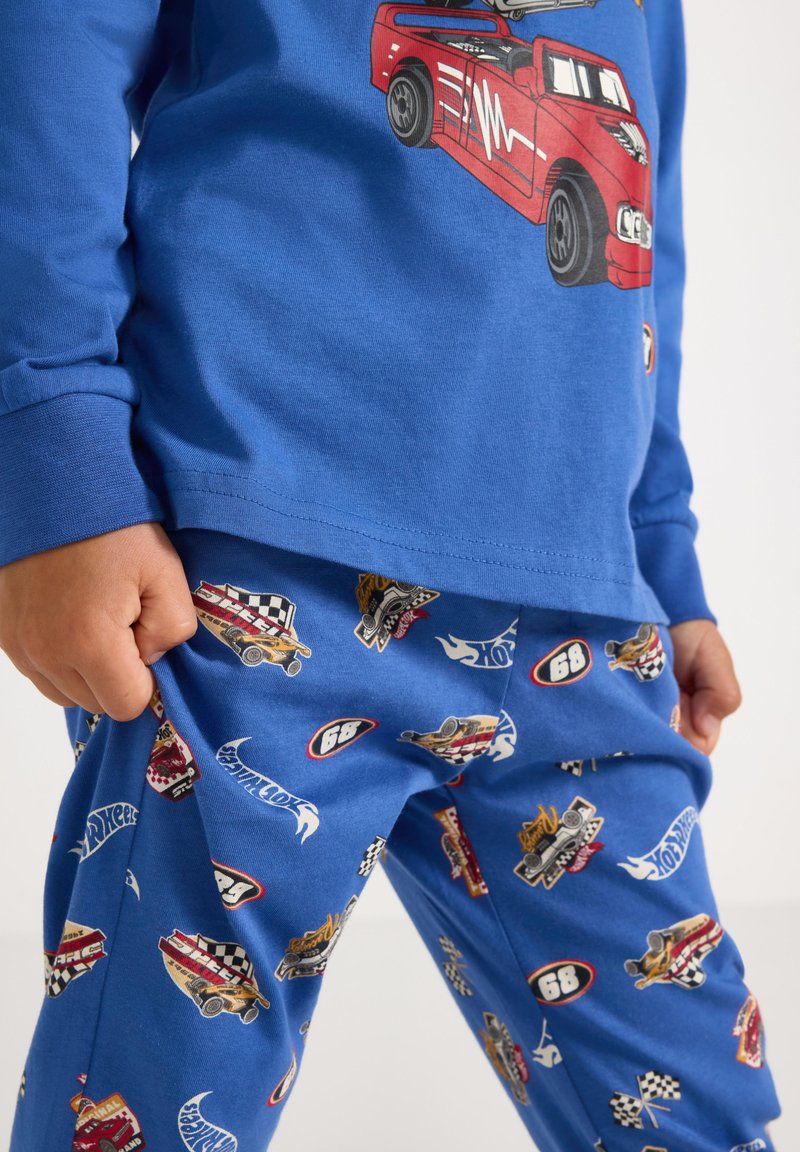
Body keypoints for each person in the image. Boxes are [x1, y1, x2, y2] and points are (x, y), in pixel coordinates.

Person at [0, 1, 782, 1149]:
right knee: (146, 1108)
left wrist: (660, 552)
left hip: (580, 610)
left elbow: (637, 240)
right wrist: (54, 456)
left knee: (698, 1113)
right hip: (258, 565)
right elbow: (51, 50)